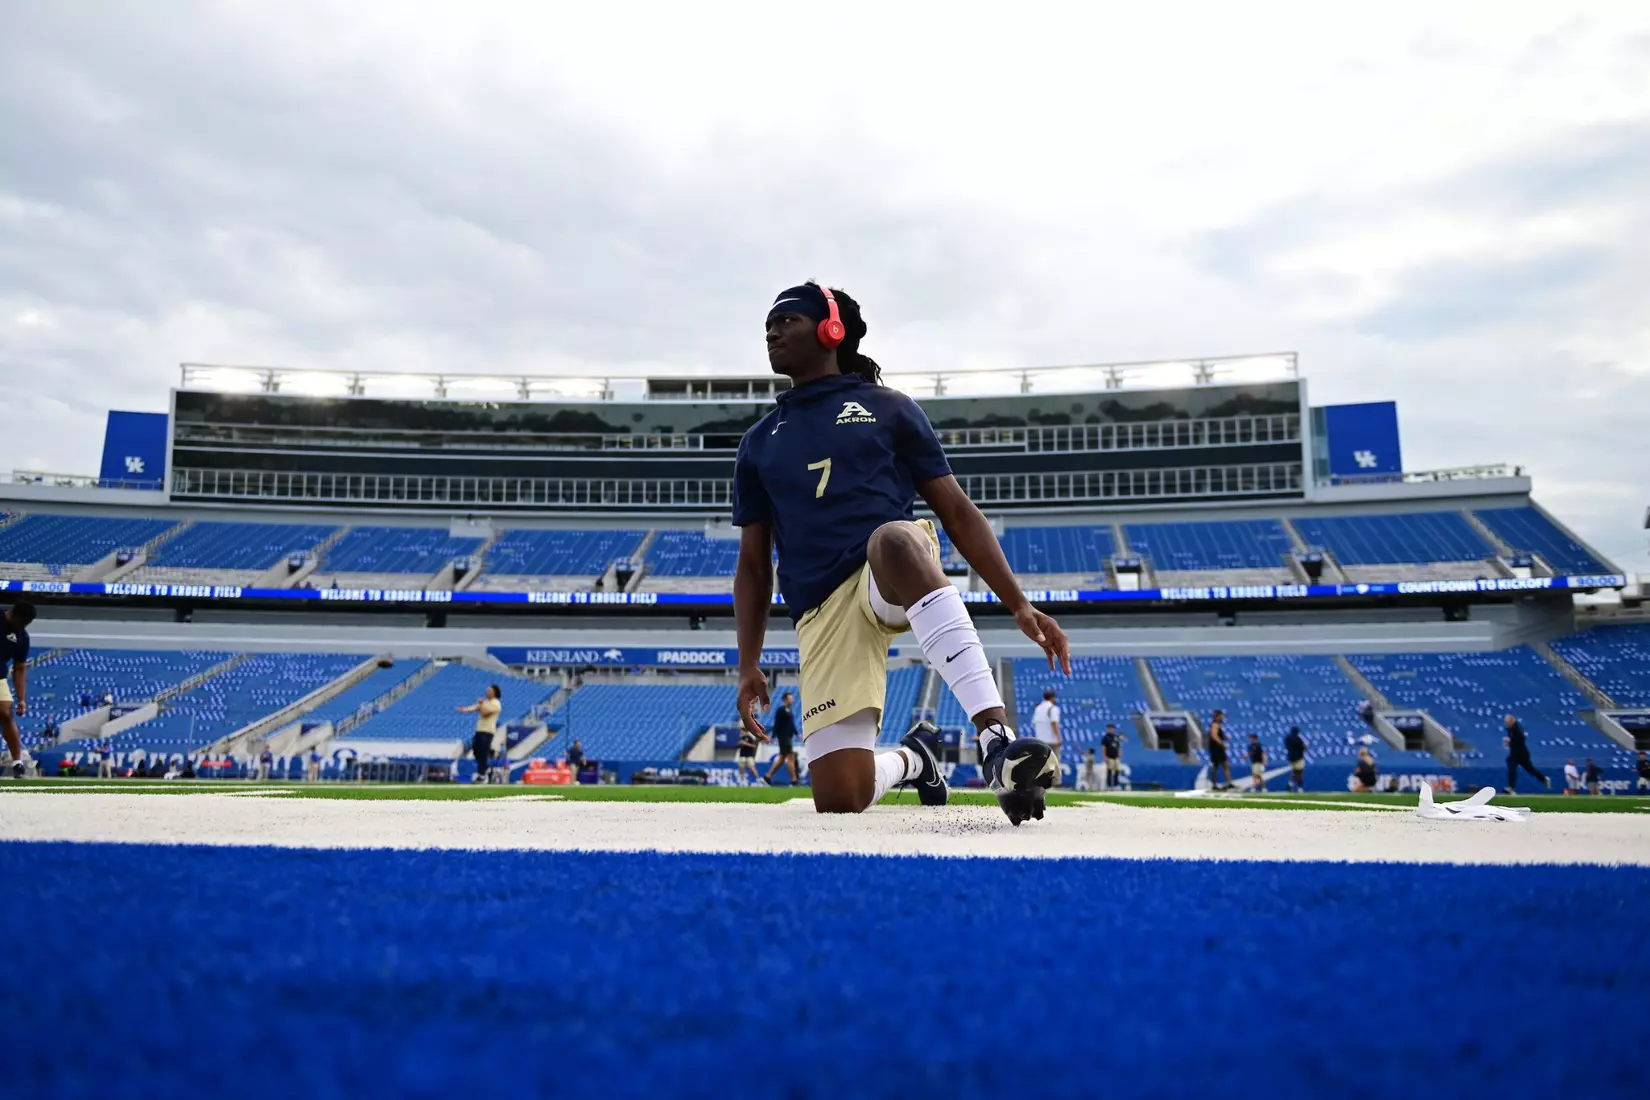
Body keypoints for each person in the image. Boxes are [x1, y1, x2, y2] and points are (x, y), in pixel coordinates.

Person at [732, 282, 1070, 823]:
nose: (772, 332)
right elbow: (752, 565)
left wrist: (1019, 604)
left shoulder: (888, 408)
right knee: (840, 798)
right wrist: (748, 662)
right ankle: (915, 758)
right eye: (768, 325)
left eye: (788, 320)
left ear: (831, 330)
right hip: (820, 608)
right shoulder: (760, 440)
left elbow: (957, 512)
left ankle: (996, 740)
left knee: (894, 537)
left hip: (886, 569)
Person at [0, 601, 38, 779]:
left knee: (6, 713)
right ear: (13, 614)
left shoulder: (22, 637)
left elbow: (20, 668)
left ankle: (17, 763)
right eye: (21, 623)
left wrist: (21, 699)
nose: (22, 627)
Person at [458, 684, 502, 785]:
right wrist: (464, 709)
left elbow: (485, 713)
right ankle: (486, 769)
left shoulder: (496, 703)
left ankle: (482, 774)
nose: (487, 692)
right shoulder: (485, 702)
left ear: (494, 692)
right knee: (476, 751)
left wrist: (481, 704)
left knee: (483, 752)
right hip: (479, 730)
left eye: (489, 690)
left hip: (488, 731)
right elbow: (474, 708)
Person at [761, 691, 801, 786]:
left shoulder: (789, 711)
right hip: (783, 737)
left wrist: (796, 733)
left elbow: (791, 725)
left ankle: (767, 777)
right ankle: (794, 780)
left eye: (792, 698)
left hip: (788, 737)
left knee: (782, 759)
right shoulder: (781, 710)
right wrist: (773, 736)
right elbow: (777, 724)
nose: (792, 700)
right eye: (790, 698)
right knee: (790, 757)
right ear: (785, 700)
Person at [1502, 714, 1550, 793]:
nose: (1506, 724)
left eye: (1507, 722)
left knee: (1529, 769)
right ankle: (1511, 787)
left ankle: (1543, 779)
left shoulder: (1516, 729)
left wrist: (1510, 741)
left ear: (1511, 721)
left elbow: (1521, 739)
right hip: (1515, 753)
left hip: (1521, 753)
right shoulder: (1510, 729)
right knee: (1512, 768)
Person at [1032, 689, 1062, 760]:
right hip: (1052, 742)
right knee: (1054, 764)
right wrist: (1058, 738)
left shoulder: (1038, 708)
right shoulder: (1052, 708)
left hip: (1040, 741)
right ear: (1052, 698)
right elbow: (1054, 722)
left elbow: (1034, 724)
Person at [1207, 710, 1231, 791]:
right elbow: (1214, 735)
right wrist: (1222, 744)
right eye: (1222, 716)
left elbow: (1216, 735)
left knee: (1216, 766)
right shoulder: (1215, 724)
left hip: (1215, 748)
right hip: (1217, 748)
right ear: (1218, 716)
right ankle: (1228, 783)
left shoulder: (1215, 725)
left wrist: (1224, 737)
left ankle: (1214, 784)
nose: (1223, 717)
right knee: (1225, 764)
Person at [1100, 723, 1123, 790]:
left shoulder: (1116, 737)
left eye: (1112, 728)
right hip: (1109, 756)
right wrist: (1104, 755)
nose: (1111, 729)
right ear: (1108, 729)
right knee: (1109, 771)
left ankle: (1116, 785)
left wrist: (1119, 754)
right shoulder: (1106, 737)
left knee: (1117, 771)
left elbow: (1118, 746)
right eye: (1110, 728)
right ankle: (1109, 785)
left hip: (1116, 757)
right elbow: (1103, 747)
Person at [1285, 726, 1307, 792]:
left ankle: (1290, 784)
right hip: (1298, 757)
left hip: (1291, 757)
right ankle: (1300, 788)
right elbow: (1302, 747)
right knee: (1300, 773)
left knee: (1294, 772)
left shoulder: (1287, 738)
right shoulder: (1298, 739)